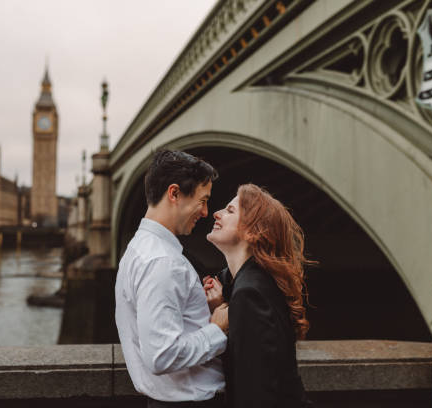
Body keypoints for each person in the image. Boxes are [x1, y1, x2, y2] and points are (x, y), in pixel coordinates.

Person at [115, 149, 229, 408]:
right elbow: (162, 356)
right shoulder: (163, 262)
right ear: (174, 193)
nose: (205, 211)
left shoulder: (139, 249)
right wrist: (217, 328)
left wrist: (200, 309)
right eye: (203, 200)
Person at [205, 183, 314, 408]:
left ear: (253, 231)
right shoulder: (253, 284)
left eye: (230, 210)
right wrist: (223, 303)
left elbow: (255, 391)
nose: (216, 213)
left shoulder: (249, 294)